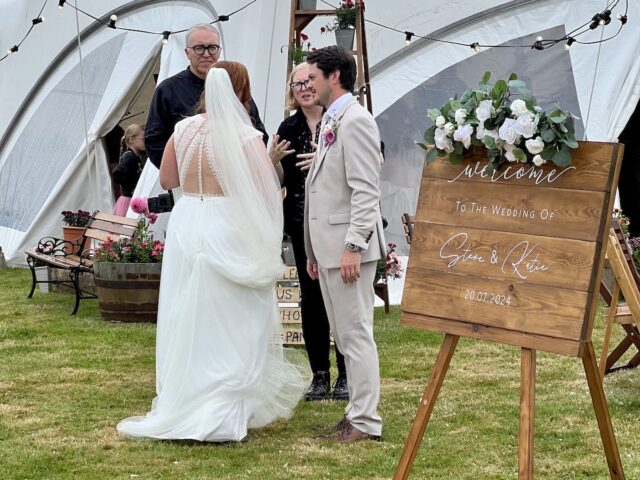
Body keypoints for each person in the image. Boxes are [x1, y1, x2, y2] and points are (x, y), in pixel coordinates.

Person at [116, 67, 307, 442]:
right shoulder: (245, 135)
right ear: (242, 91)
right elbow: (265, 187)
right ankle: (224, 407)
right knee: (234, 313)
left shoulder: (182, 130)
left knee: (189, 308)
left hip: (189, 221)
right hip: (226, 221)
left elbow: (169, 180)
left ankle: (189, 397)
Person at [304, 46, 385, 442]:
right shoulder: (333, 120)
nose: (307, 86)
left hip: (347, 248)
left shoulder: (356, 121)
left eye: (312, 78)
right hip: (329, 250)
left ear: (334, 75)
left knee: (355, 335)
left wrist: (354, 245)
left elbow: (365, 191)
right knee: (344, 334)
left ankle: (366, 422)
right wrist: (313, 249)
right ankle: (355, 414)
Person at [270, 63, 348, 401]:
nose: (303, 88)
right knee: (311, 300)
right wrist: (270, 160)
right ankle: (320, 375)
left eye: (308, 81)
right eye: (296, 83)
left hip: (338, 223)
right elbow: (276, 182)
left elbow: (373, 159)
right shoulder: (288, 127)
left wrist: (327, 160)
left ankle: (347, 374)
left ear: (323, 82)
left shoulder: (343, 118)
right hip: (302, 226)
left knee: (342, 302)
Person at [144, 24, 267, 170]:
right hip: (187, 182)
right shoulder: (168, 90)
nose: (206, 54)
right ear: (187, 52)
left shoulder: (235, 87)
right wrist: (184, 173)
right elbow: (154, 142)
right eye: (199, 48)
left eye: (212, 47)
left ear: (220, 51)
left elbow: (258, 134)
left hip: (233, 177)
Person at [112, 124, 145, 216]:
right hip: (128, 199)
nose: (145, 142)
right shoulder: (130, 157)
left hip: (131, 198)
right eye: (143, 139)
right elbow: (117, 174)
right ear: (131, 140)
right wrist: (129, 185)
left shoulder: (135, 157)